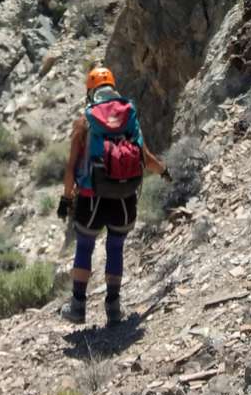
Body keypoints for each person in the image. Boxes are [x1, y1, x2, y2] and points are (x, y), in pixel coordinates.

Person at [58, 65, 168, 326]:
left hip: (91, 196)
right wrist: (164, 171)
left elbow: (71, 167)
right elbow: (145, 157)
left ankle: (78, 306)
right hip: (125, 196)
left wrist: (66, 198)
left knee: (85, 246)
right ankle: (114, 308)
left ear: (91, 92)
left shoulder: (84, 121)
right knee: (115, 247)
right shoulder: (129, 116)